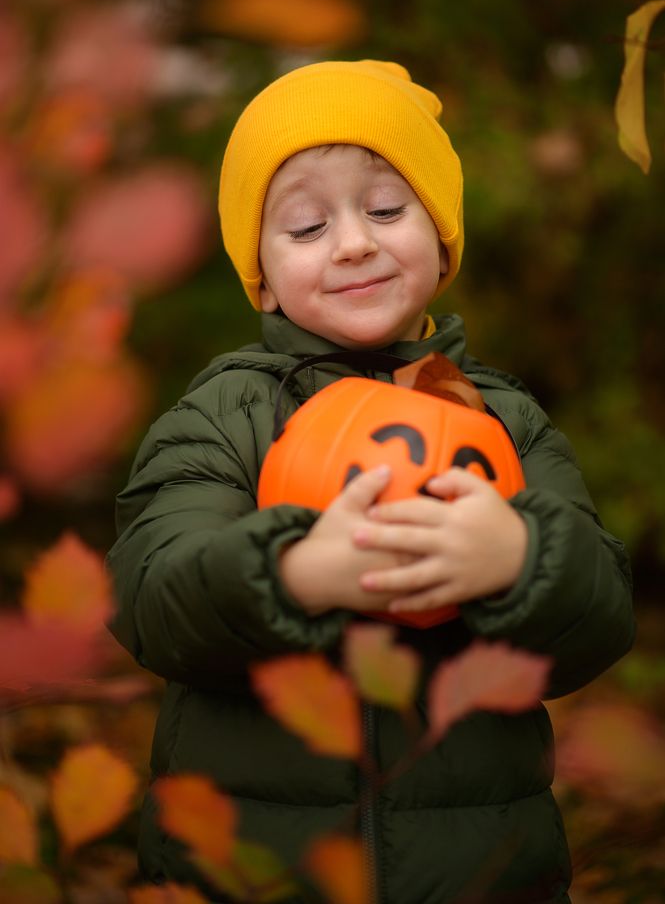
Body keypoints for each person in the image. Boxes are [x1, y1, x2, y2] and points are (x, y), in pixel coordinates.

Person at [107, 59, 635, 904]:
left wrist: (520, 557)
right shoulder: (225, 414)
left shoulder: (502, 419)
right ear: (261, 278)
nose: (353, 241)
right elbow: (152, 597)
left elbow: (600, 613)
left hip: (480, 873)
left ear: (441, 236)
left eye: (386, 209)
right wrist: (288, 574)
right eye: (306, 225)